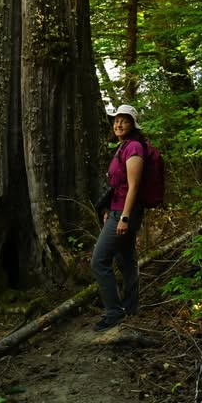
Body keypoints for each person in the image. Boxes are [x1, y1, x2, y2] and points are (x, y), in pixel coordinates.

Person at [90, 104, 146, 331]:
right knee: (125, 260)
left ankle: (113, 312)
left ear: (132, 124)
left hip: (125, 214)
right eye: (116, 120)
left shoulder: (134, 148)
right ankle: (130, 307)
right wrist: (107, 211)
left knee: (99, 261)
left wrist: (123, 217)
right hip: (116, 211)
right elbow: (117, 186)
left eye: (124, 120)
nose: (119, 124)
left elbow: (133, 187)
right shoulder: (121, 147)